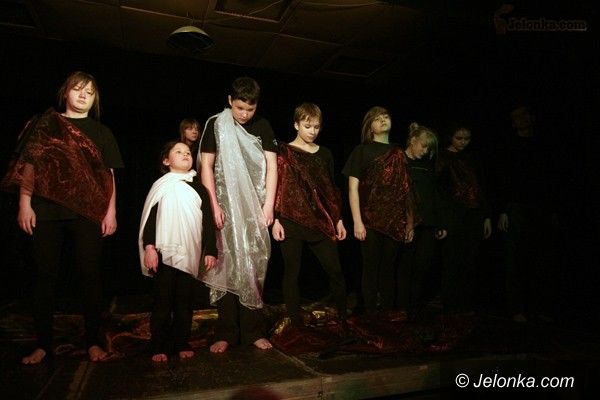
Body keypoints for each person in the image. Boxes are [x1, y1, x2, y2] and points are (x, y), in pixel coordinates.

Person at [0, 71, 123, 364]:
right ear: (65, 92)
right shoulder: (46, 124)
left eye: (89, 92)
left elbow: (108, 175)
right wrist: (25, 203)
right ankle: (43, 345)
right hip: (46, 209)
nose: (83, 95)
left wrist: (111, 211)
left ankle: (93, 342)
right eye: (78, 89)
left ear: (94, 99)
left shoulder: (102, 132)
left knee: (90, 275)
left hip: (88, 211)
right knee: (44, 276)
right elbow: (30, 165)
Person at [198, 77, 277, 353]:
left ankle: (253, 331)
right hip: (224, 204)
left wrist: (268, 205)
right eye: (240, 108)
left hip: (254, 206)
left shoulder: (263, 126)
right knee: (225, 264)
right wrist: (213, 205)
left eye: (250, 109)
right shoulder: (216, 124)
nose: (244, 114)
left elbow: (271, 166)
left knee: (253, 265)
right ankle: (226, 332)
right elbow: (206, 166)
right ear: (230, 101)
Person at [139, 141, 217, 362]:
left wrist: (211, 250)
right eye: (178, 152)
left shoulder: (199, 188)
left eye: (188, 152)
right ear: (166, 160)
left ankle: (181, 342)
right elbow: (150, 219)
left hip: (189, 252)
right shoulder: (161, 186)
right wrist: (149, 247)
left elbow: (208, 222)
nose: (185, 154)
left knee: (184, 301)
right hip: (164, 253)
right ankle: (158, 344)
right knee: (162, 301)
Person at [272, 103, 347, 327]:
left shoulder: (325, 153)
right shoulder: (283, 152)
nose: (312, 131)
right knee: (292, 272)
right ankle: (295, 324)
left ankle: (343, 318)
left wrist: (338, 219)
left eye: (316, 127)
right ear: (296, 125)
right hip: (290, 219)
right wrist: (276, 219)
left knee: (335, 271)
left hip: (320, 220)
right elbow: (277, 186)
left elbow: (331, 189)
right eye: (307, 126)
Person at [342, 106, 417, 314]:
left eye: (385, 116)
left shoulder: (398, 153)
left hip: (394, 219)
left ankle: (387, 313)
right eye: (377, 118)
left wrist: (410, 222)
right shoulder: (361, 151)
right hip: (370, 219)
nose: (383, 119)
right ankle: (371, 314)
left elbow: (406, 189)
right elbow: (353, 188)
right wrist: (357, 221)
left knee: (388, 268)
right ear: (370, 127)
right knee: (371, 267)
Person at [496, 105, 558, 322]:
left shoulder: (543, 144)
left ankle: (539, 307)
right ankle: (517, 308)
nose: (522, 119)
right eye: (518, 116)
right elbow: (503, 178)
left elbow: (551, 178)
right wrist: (503, 210)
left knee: (539, 256)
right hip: (516, 207)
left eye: (525, 115)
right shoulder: (509, 146)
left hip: (540, 207)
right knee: (515, 257)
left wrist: (552, 209)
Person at [436, 126, 492, 314]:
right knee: (452, 258)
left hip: (473, 214)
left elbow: (480, 187)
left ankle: (465, 302)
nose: (463, 142)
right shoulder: (442, 157)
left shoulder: (472, 158)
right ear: (450, 137)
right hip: (453, 214)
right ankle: (450, 303)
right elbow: (439, 190)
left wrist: (486, 216)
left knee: (470, 259)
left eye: (467, 138)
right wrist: (441, 220)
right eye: (459, 138)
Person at [396, 123, 447, 319]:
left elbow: (435, 195)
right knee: (405, 266)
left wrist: (440, 223)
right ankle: (402, 307)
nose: (425, 151)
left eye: (428, 148)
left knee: (422, 267)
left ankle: (413, 307)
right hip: (407, 223)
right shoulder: (400, 161)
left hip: (428, 223)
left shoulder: (428, 165)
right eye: (423, 146)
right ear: (413, 140)